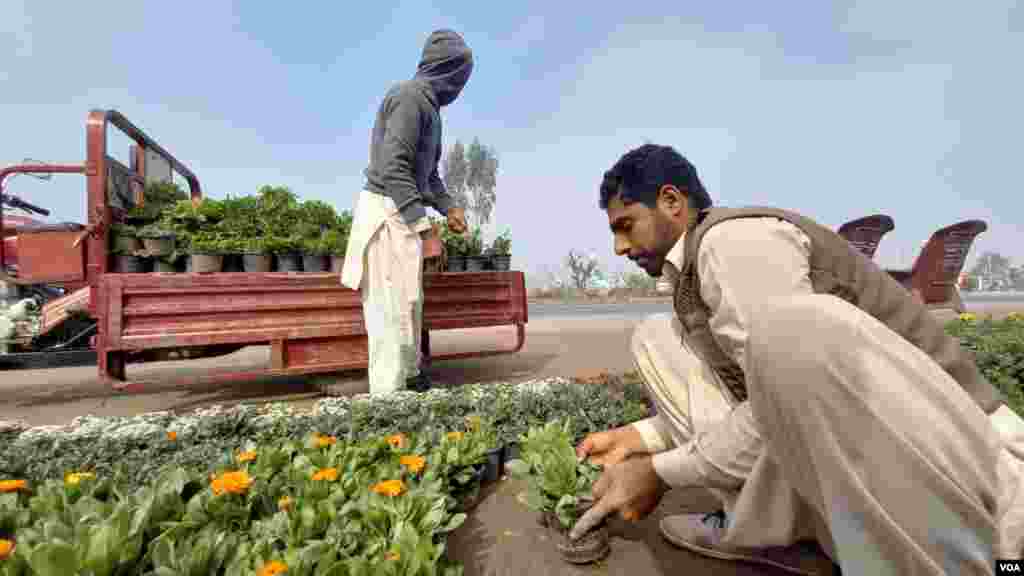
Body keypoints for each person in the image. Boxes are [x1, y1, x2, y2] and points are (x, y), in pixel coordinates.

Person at [571, 144, 1024, 574]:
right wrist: (640, 437)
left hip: (961, 467)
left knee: (784, 332)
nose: (619, 248)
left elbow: (780, 390)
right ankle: (781, 535)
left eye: (625, 225)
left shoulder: (734, 244)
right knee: (657, 337)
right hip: (867, 446)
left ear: (670, 201)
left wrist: (658, 472)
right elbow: (748, 391)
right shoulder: (693, 269)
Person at [341, 29, 471, 395]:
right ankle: (387, 407)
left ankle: (409, 391)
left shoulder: (430, 110)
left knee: (407, 312)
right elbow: (394, 169)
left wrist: (448, 207)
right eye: (461, 78)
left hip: (401, 217)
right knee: (388, 319)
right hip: (385, 217)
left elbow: (427, 176)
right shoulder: (409, 98)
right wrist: (427, 231)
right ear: (447, 71)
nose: (460, 89)